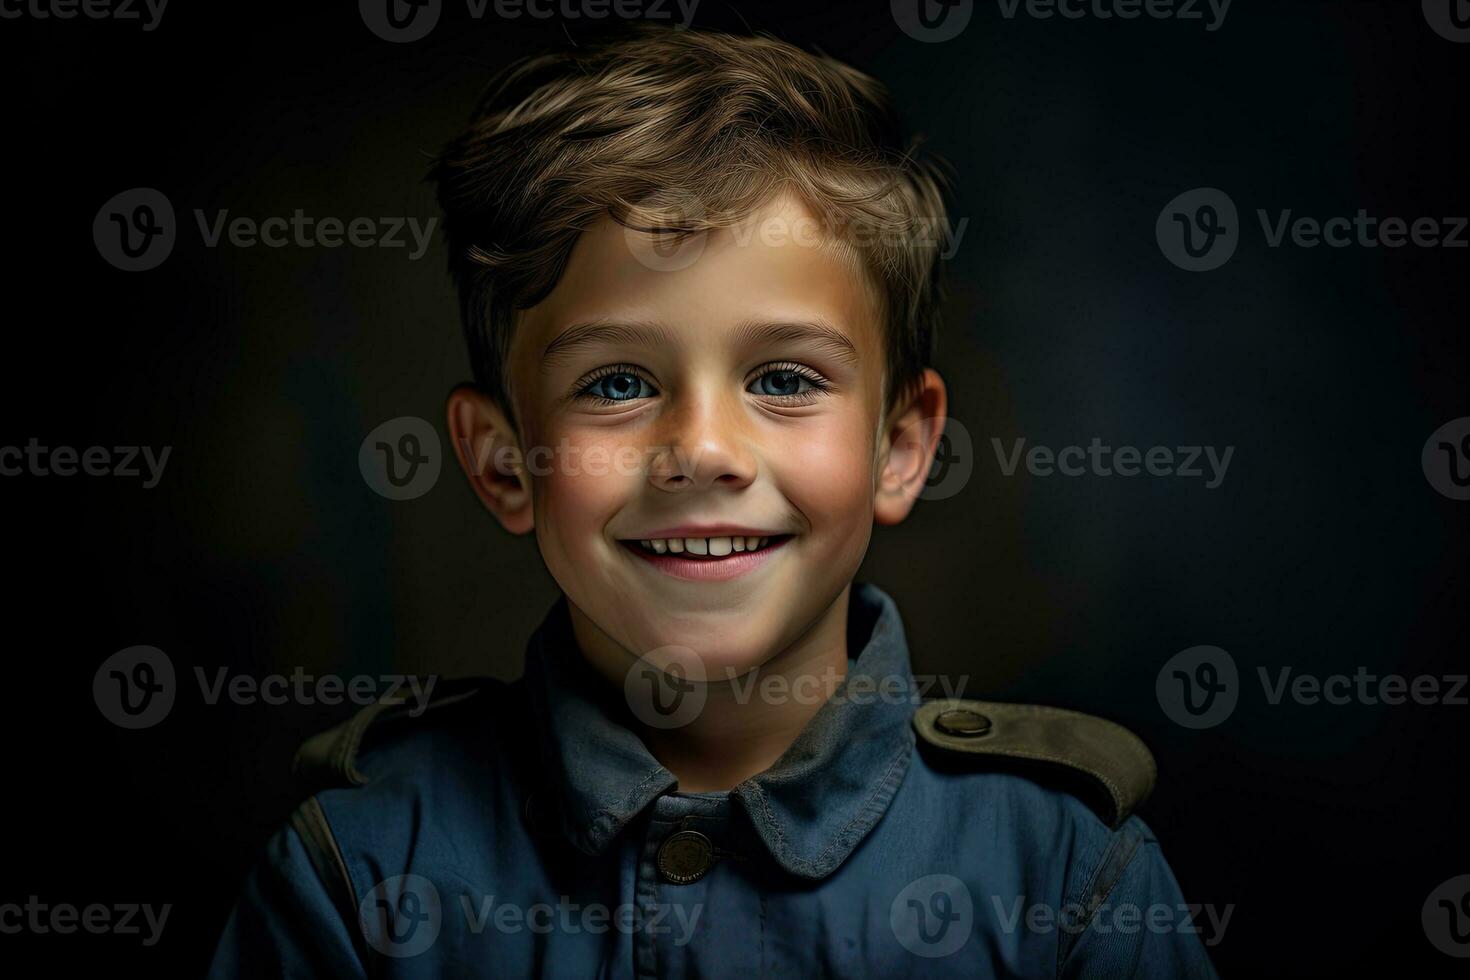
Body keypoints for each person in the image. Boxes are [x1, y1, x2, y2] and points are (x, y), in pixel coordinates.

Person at [209, 25, 1219, 978]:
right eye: (616, 383)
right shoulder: (358, 874)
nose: (700, 449)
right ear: (505, 461)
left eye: (784, 378)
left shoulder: (1066, 876)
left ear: (901, 448)